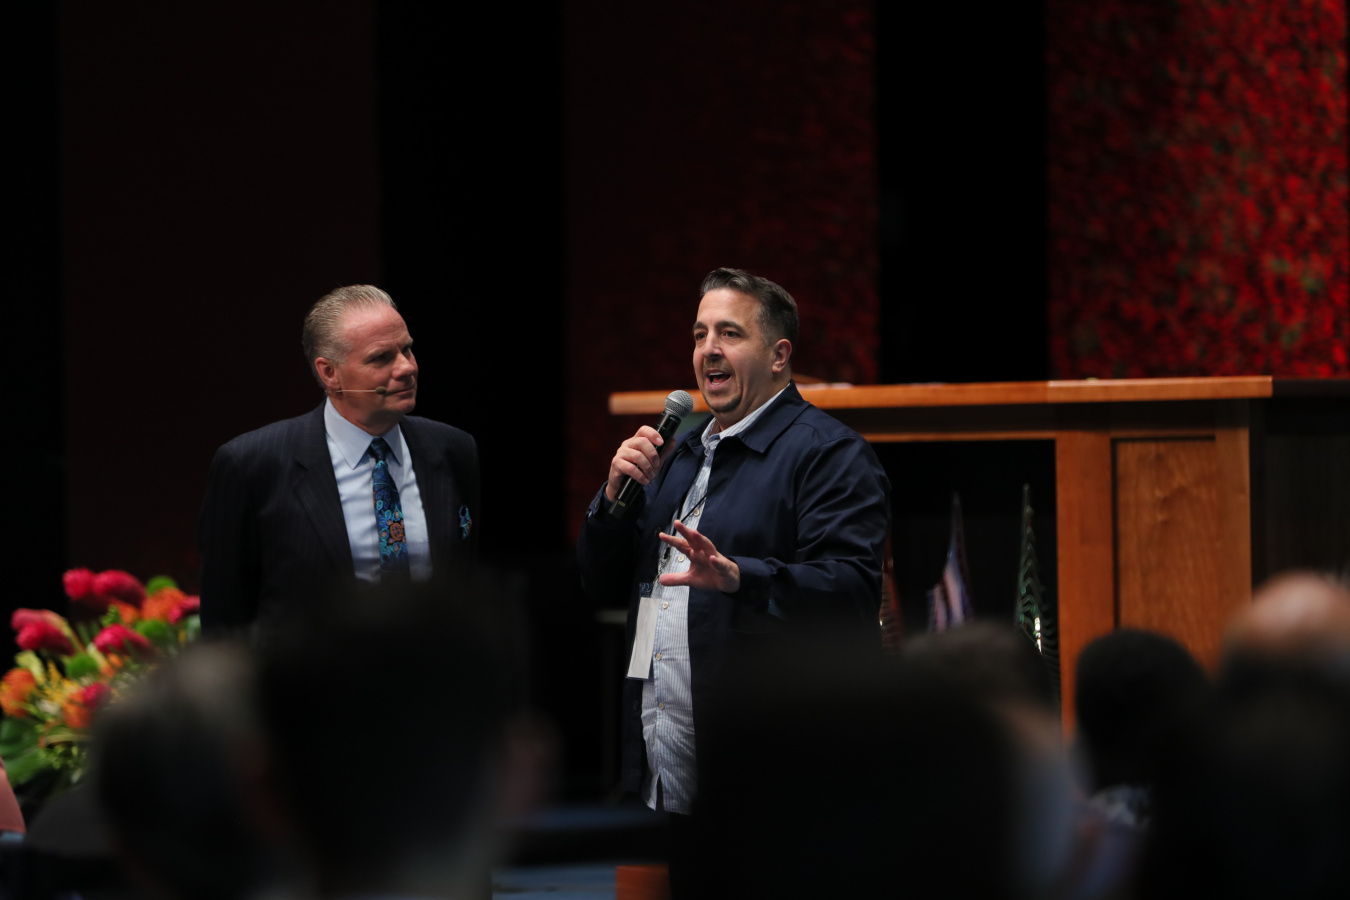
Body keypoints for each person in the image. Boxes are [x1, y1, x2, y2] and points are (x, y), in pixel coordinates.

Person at [576, 267, 891, 892]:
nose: (708, 350)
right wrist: (611, 503)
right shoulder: (681, 455)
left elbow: (851, 592)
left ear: (779, 356)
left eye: (729, 333)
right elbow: (604, 587)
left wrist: (739, 577)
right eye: (699, 334)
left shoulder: (829, 454)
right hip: (677, 766)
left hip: (779, 771)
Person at [199, 285, 479, 634]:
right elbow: (224, 628)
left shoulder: (453, 449)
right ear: (329, 373)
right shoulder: (252, 464)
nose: (407, 367)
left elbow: (467, 589)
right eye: (381, 358)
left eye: (407, 349)